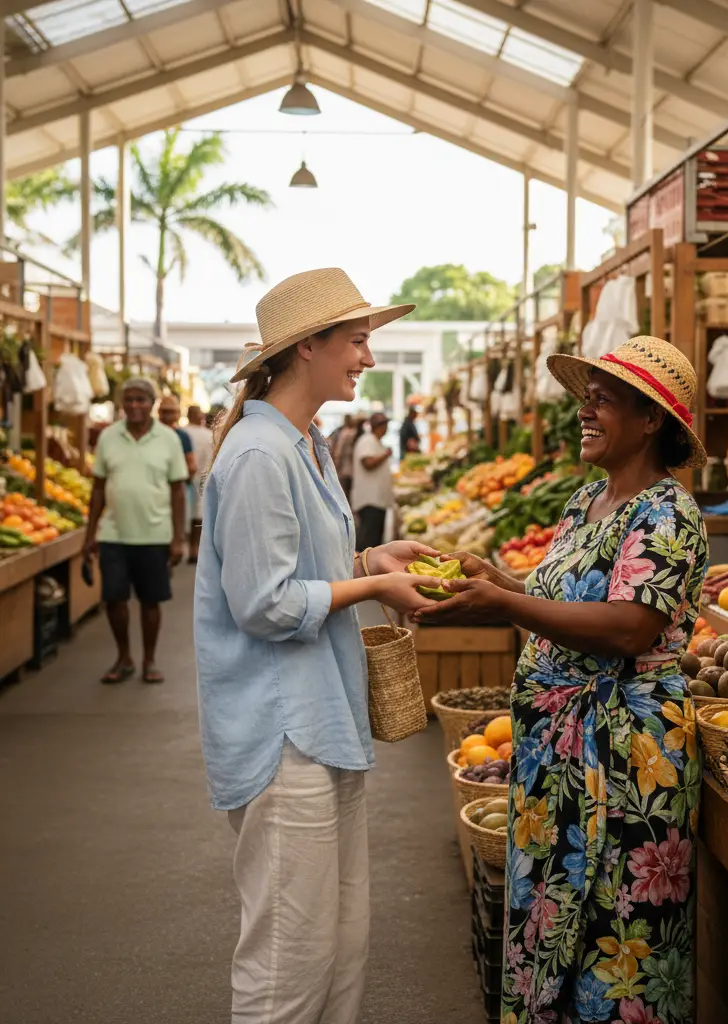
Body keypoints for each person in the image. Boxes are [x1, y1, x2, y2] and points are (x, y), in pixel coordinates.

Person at [416, 336, 709, 1024]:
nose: (585, 411)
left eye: (602, 400)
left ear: (650, 421)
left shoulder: (668, 512)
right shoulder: (586, 502)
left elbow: (628, 628)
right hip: (557, 758)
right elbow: (571, 600)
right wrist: (502, 579)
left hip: (627, 760)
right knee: (550, 915)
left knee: (618, 930)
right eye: (585, 398)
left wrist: (506, 605)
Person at [193, 267, 439, 1024]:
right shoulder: (261, 455)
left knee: (339, 939)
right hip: (282, 732)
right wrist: (370, 591)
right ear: (308, 348)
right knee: (287, 959)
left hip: (321, 719)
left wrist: (371, 561)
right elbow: (264, 604)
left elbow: (301, 571)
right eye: (358, 341)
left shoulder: (303, 444)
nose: (367, 358)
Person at [83, 377, 189, 684]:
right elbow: (98, 488)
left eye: (141, 400)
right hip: (113, 533)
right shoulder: (108, 437)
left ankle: (149, 660)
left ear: (152, 403)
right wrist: (90, 535)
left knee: (150, 601)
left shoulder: (168, 439)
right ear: (121, 404)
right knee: (114, 599)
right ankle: (124, 657)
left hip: (155, 533)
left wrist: (178, 537)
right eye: (128, 400)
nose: (134, 405)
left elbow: (178, 490)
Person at [350, 411, 393, 549]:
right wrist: (385, 455)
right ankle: (364, 569)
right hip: (370, 500)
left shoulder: (374, 441)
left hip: (377, 499)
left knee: (375, 539)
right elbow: (367, 463)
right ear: (379, 426)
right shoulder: (367, 441)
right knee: (368, 540)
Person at [184, 404, 214, 562]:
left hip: (184, 478)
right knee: (198, 513)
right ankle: (193, 548)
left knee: (188, 513)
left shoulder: (182, 432)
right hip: (200, 477)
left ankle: (189, 546)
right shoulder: (208, 435)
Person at [158, 395, 197, 481]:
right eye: (166, 412)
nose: (168, 415)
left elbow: (191, 467)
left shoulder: (182, 436)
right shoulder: (154, 433)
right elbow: (192, 467)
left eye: (170, 412)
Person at [331, 413, 358, 495]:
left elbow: (338, 450)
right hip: (348, 467)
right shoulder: (351, 432)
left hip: (344, 467)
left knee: (344, 491)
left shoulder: (343, 432)